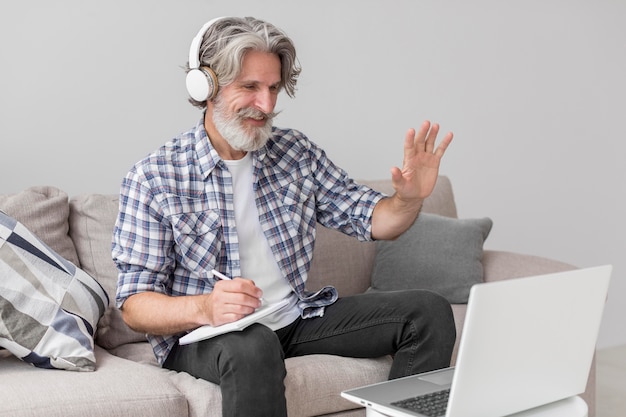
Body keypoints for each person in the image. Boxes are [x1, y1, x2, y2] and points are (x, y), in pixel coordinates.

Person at [112, 16, 456, 417]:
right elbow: (134, 306)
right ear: (205, 86)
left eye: (273, 88)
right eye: (250, 87)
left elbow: (375, 219)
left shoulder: (294, 153)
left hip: (295, 319)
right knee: (252, 342)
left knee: (428, 312)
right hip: (205, 336)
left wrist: (408, 199)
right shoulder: (155, 176)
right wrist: (205, 307)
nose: (267, 105)